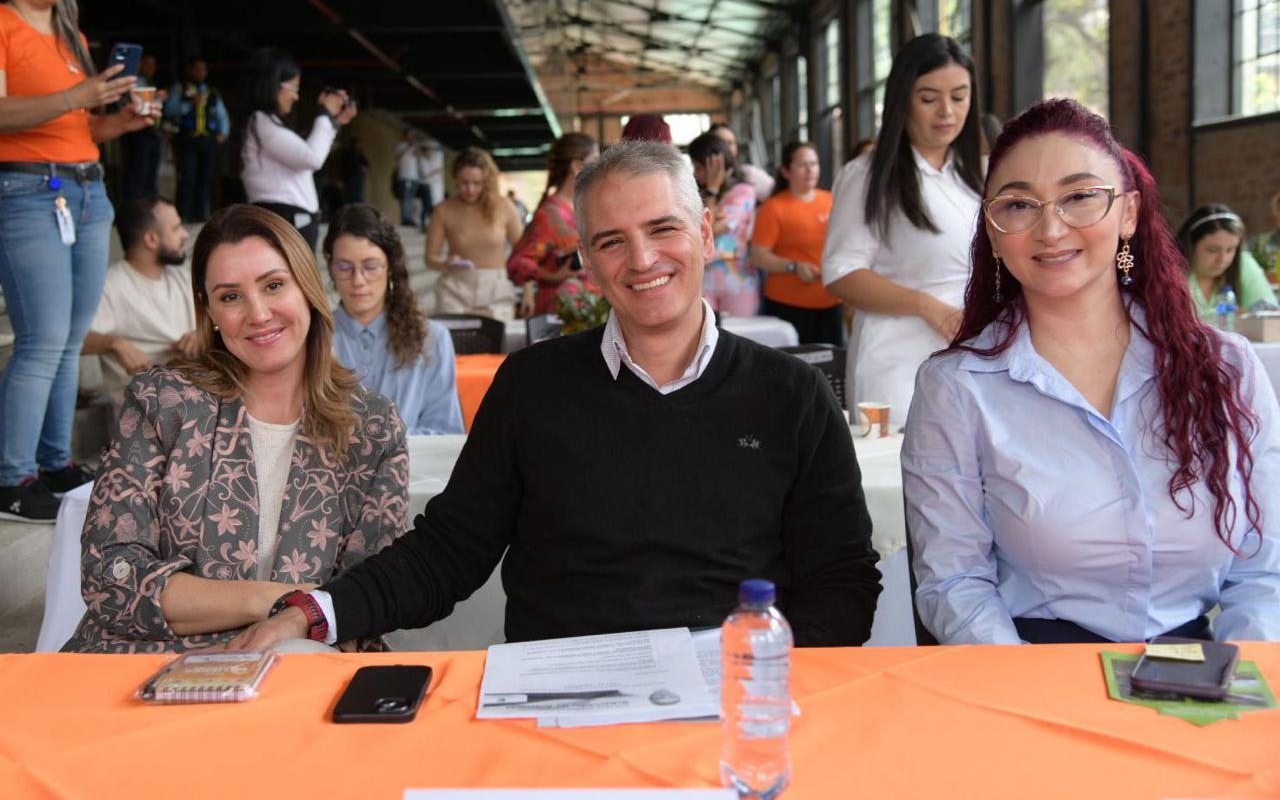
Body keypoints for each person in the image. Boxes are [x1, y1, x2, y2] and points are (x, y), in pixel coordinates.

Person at [228, 141, 882, 653]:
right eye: (611, 242)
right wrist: (318, 610)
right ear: (588, 265)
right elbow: (450, 548)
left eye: (664, 228)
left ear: (707, 233)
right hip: (558, 687)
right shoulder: (531, 387)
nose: (642, 258)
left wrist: (767, 668)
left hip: (730, 690)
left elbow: (843, 577)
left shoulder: (791, 394)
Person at [903, 98, 1280, 645]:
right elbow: (954, 581)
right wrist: (1034, 702)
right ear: (992, 228)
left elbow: (1264, 569)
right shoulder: (958, 387)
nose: (1050, 229)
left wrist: (1237, 685)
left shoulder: (1225, 368)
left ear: (1128, 212)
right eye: (1018, 205)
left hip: (1204, 681)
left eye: (1079, 197)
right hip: (1032, 674)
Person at [61, 205, 409, 652]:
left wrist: (300, 622)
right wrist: (278, 602)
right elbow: (111, 574)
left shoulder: (373, 426)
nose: (258, 313)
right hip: (144, 663)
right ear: (209, 311)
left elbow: (365, 599)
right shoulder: (160, 401)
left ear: (309, 286)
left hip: (304, 675)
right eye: (230, 296)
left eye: (274, 285)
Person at [0, 0, 153, 521]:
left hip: (87, 188)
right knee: (41, 339)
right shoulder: (3, 26)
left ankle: (54, 461)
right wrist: (75, 97)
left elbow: (78, 126)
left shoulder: (72, 37)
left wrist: (120, 123)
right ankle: (12, 478)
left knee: (68, 339)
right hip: (25, 190)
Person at [822, 34, 984, 426]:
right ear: (901, 100)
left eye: (959, 97)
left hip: (974, 357)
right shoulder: (868, 175)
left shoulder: (977, 175)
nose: (946, 111)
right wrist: (929, 307)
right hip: (900, 362)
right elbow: (841, 273)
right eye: (928, 98)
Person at [324, 203, 464, 435]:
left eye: (370, 267)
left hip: (415, 469)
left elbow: (446, 432)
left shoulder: (431, 338)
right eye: (344, 267)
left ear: (390, 266)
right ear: (330, 267)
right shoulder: (313, 338)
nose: (358, 280)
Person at [229, 47, 356, 252]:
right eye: (294, 88)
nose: (296, 97)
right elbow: (312, 158)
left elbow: (309, 155)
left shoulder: (258, 123)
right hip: (286, 219)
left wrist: (334, 121)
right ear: (273, 85)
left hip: (288, 219)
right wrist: (325, 114)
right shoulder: (261, 121)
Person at [81, 196, 198, 406]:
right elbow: (73, 340)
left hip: (198, 393)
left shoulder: (182, 275)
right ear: (151, 240)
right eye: (176, 228)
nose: (185, 234)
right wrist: (115, 344)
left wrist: (205, 334)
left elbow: (222, 322)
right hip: (148, 409)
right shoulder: (111, 286)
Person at [750, 141, 843, 345]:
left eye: (814, 163)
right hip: (788, 303)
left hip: (831, 301)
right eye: (802, 164)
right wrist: (793, 266)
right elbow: (758, 256)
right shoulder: (774, 208)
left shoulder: (832, 200)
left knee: (832, 368)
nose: (810, 170)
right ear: (786, 171)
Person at [506, 131, 598, 316]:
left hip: (591, 313)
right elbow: (516, 263)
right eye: (595, 160)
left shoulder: (587, 207)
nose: (600, 167)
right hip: (560, 318)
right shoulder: (550, 215)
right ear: (577, 166)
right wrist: (552, 277)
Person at [425, 147, 522, 318]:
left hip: (495, 288)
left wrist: (528, 291)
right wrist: (446, 264)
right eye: (464, 183)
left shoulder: (504, 206)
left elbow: (523, 254)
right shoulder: (443, 209)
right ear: (455, 179)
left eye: (477, 183)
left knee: (499, 342)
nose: (470, 190)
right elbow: (430, 257)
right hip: (456, 287)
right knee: (457, 342)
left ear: (487, 181)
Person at [689, 130, 758, 316]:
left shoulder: (743, 192)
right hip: (703, 278)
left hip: (736, 278)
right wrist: (711, 191)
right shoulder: (696, 195)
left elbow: (707, 230)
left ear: (716, 164)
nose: (696, 174)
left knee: (740, 336)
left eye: (699, 168)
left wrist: (711, 190)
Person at [1178, 203, 1278, 320]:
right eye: (1212, 250)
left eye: (1230, 250)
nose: (1222, 259)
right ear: (1190, 245)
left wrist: (1249, 318)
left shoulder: (1244, 263)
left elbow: (1271, 315)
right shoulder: (1171, 272)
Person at [162, 57, 229, 222]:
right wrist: (190, 104)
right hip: (186, 141)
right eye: (197, 69)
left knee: (205, 178)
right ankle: (184, 215)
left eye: (203, 69)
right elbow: (169, 111)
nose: (201, 72)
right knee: (187, 177)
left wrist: (223, 133)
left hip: (208, 140)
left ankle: (202, 215)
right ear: (190, 70)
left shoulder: (212, 92)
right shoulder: (179, 88)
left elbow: (222, 115)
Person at [119, 52, 163, 203]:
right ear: (138, 65)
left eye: (153, 65)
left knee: (151, 175)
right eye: (147, 64)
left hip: (151, 131)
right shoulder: (130, 82)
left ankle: (148, 211)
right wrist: (156, 97)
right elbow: (139, 106)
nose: (151, 68)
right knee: (137, 173)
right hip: (136, 132)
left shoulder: (150, 81)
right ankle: (132, 210)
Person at [710, 122, 775, 200]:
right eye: (720, 143)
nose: (725, 148)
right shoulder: (699, 179)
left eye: (730, 143)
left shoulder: (750, 174)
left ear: (736, 148)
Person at [392, 129, 418, 226]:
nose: (411, 137)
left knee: (411, 199)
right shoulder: (400, 146)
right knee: (405, 199)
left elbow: (419, 157)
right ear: (405, 136)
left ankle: (410, 218)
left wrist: (415, 147)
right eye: (409, 135)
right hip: (404, 176)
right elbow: (398, 157)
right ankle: (405, 219)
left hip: (414, 177)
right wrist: (408, 147)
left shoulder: (415, 146)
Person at [415, 139, 442, 228]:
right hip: (423, 186)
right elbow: (425, 175)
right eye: (429, 151)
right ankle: (423, 223)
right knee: (427, 206)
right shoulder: (422, 161)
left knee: (429, 206)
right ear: (425, 152)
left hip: (427, 185)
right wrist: (436, 171)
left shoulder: (427, 161)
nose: (430, 153)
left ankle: (428, 223)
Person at [338, 136, 367, 204]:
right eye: (357, 144)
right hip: (350, 178)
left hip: (358, 178)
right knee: (350, 198)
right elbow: (345, 166)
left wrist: (362, 168)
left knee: (358, 198)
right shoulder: (347, 153)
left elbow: (366, 164)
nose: (358, 146)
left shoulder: (360, 154)